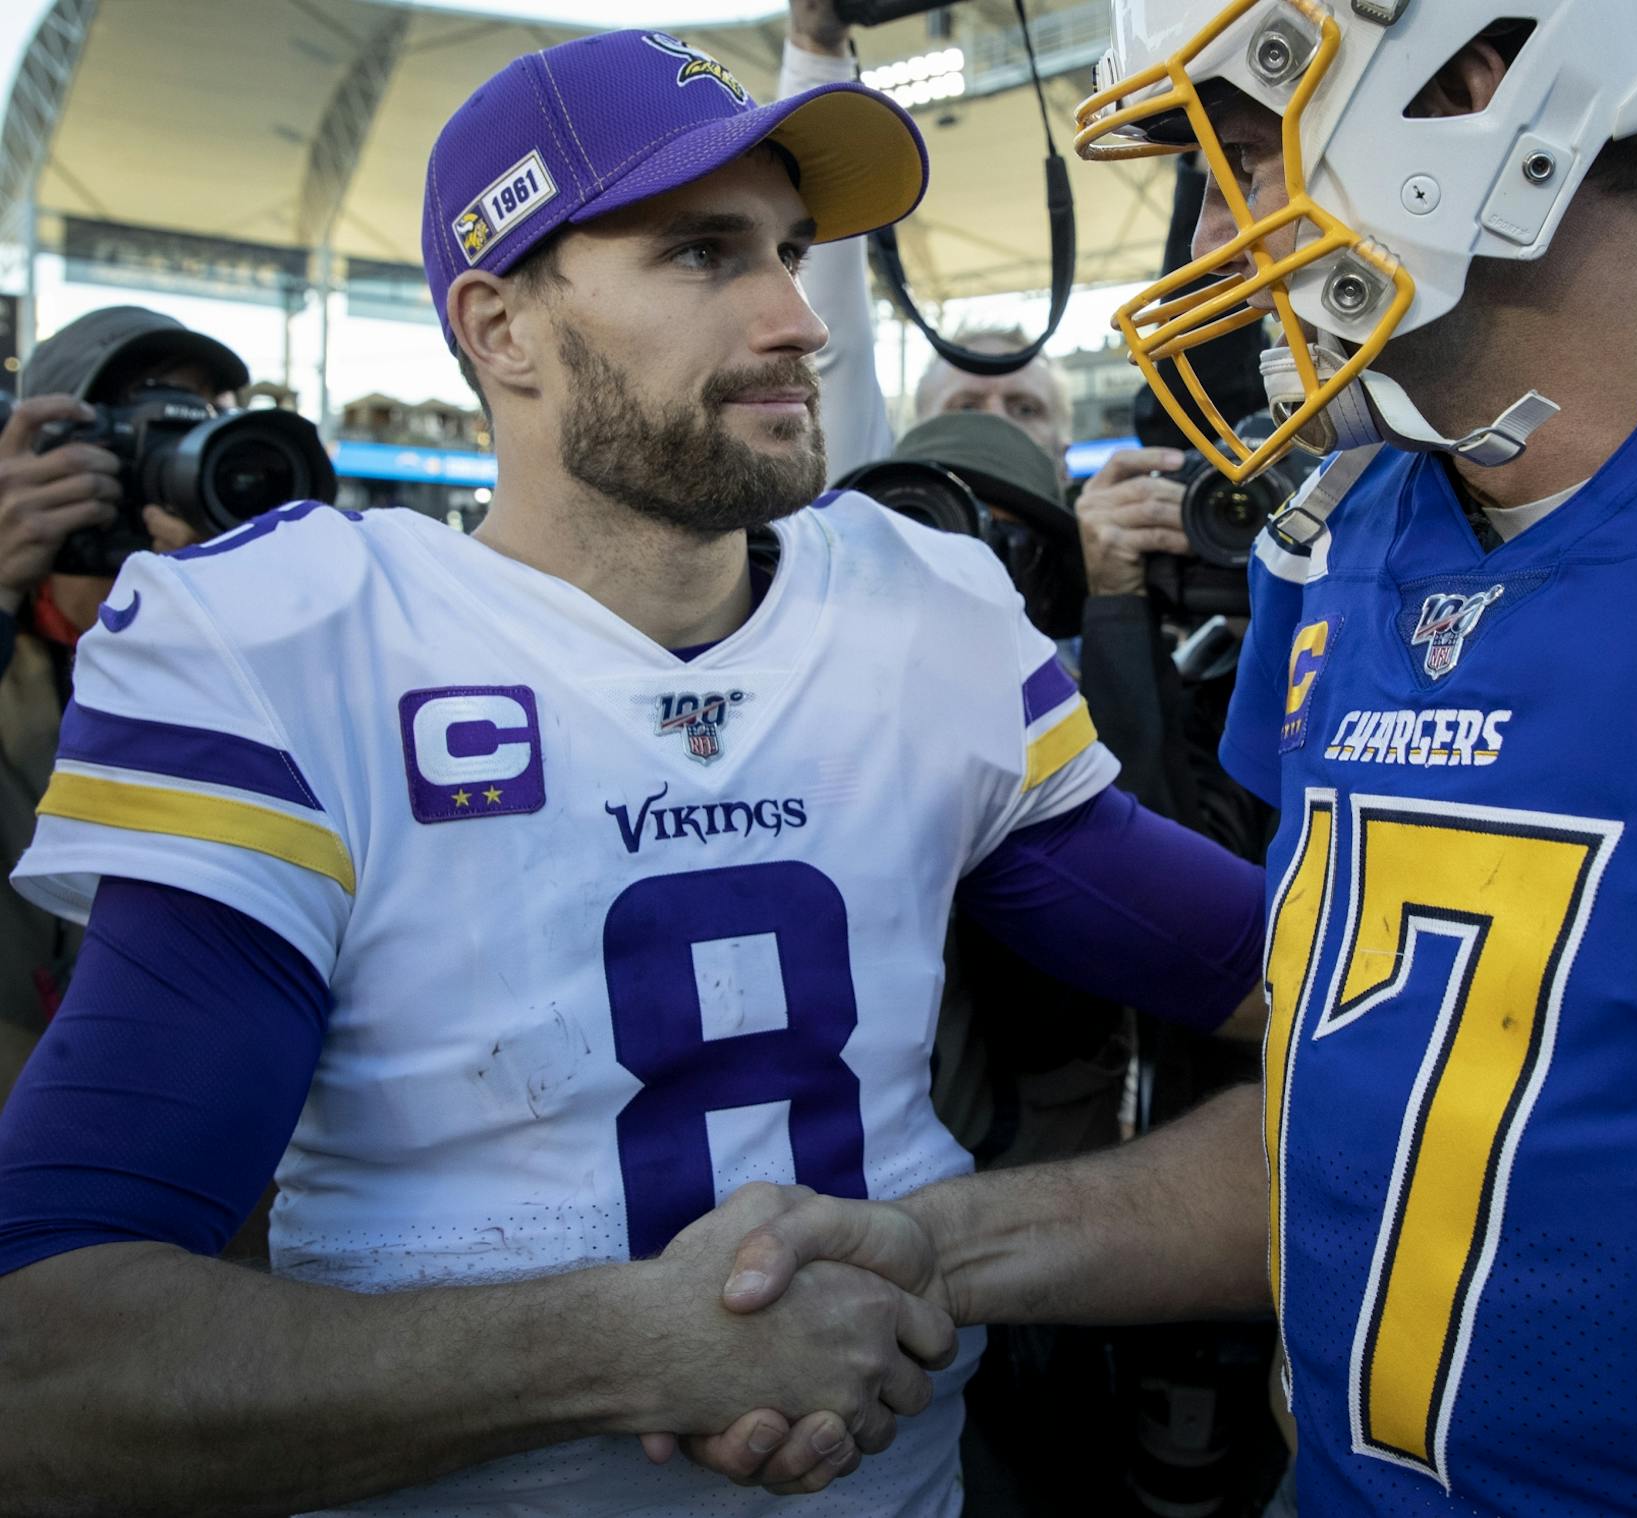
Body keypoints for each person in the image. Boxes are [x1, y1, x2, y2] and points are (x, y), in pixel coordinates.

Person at [671, 1, 1637, 1512]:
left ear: (1478, 87)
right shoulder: (1354, 535)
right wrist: (943, 1247)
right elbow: (1399, 1118)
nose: (1203, 230)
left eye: (1241, 152)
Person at [0, 28, 1267, 1516]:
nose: (801, 318)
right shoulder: (300, 642)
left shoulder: (920, 612)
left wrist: (941, 1243)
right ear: (502, 326)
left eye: (791, 251)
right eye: (700, 253)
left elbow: (1335, 1005)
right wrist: (627, 1348)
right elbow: (50, 1364)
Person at [0, 308, 244, 1093]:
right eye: (133, 422)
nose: (162, 456)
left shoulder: (241, 647)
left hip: (181, 1108)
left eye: (195, 422)